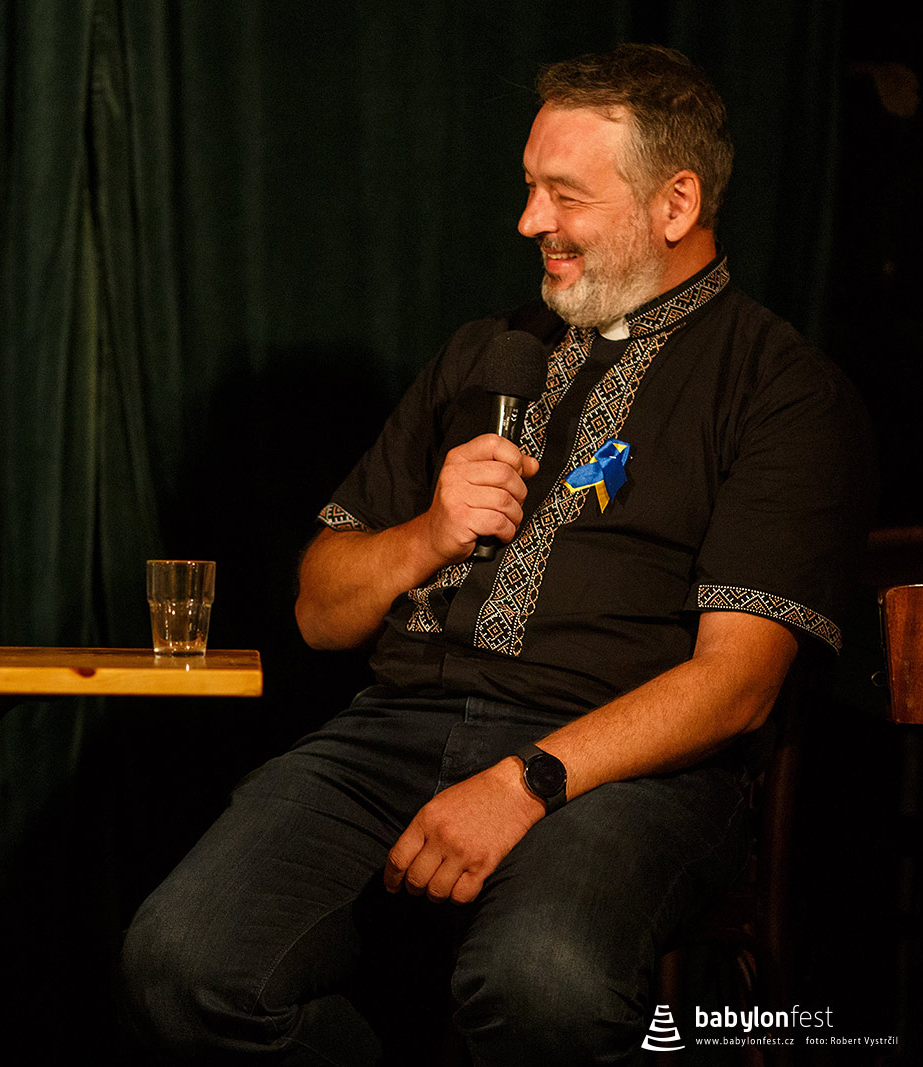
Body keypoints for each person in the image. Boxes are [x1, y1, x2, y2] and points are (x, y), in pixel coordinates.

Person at [120, 44, 873, 1065]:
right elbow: (318, 611)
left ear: (676, 203)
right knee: (182, 962)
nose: (528, 222)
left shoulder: (779, 389)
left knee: (543, 983)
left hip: (622, 769)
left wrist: (526, 781)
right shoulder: (485, 350)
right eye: (527, 187)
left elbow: (736, 685)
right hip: (395, 730)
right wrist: (426, 533)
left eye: (564, 194)